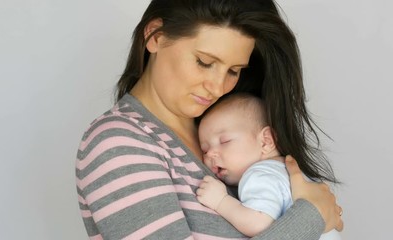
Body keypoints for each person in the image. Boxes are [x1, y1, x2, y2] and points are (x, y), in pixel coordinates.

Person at [75, 0, 343, 239]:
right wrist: (311, 216)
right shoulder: (118, 145)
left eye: (234, 70)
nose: (217, 88)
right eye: (204, 62)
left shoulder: (228, 129)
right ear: (155, 36)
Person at [196, 93, 341, 239]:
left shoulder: (259, 175)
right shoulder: (289, 171)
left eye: (224, 141)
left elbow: (258, 223)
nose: (210, 155)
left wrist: (221, 201)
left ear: (266, 141)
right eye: (205, 150)